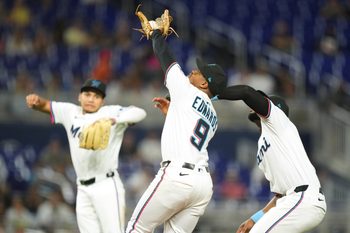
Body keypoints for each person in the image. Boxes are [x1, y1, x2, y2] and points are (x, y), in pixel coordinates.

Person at [125, 24, 228, 233]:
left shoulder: (187, 91)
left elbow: (166, 58)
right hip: (202, 185)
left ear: (204, 84)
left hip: (178, 176)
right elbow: (189, 127)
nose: (193, 70)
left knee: (137, 228)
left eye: (200, 72)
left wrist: (155, 34)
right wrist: (173, 112)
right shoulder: (214, 116)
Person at [26, 78, 147, 233]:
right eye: (88, 94)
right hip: (82, 188)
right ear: (79, 96)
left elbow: (140, 112)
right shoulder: (70, 112)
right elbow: (44, 105)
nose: (91, 99)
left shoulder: (110, 112)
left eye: (97, 96)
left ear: (103, 101)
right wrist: (35, 101)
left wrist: (116, 120)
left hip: (106, 185)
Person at [217, 85, 327, 232]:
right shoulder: (264, 143)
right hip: (292, 200)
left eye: (263, 101)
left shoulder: (279, 121)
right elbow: (280, 196)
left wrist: (214, 92)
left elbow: (246, 92)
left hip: (303, 197)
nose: (258, 103)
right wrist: (255, 219)